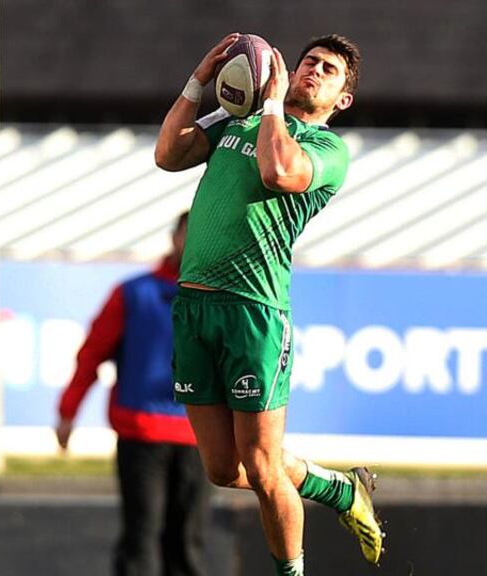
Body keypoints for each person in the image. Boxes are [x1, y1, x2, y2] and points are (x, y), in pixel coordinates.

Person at [154, 33, 381, 576]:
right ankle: (338, 488)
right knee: (221, 469)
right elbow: (168, 154)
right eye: (309, 62)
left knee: (260, 466)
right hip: (194, 307)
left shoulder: (327, 150)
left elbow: (280, 173)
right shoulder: (240, 119)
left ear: (341, 100)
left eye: (329, 71)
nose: (314, 71)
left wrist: (274, 104)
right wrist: (198, 82)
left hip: (254, 311)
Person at [55, 211, 210, 576]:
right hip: (142, 435)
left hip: (201, 436)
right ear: (174, 238)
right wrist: (67, 412)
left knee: (187, 543)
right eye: (189, 234)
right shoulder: (132, 294)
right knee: (140, 539)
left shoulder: (224, 299)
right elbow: (91, 354)